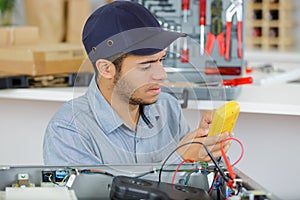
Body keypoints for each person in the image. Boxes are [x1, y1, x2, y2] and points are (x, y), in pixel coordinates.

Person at [43, 1, 233, 165]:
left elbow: (193, 186)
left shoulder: (168, 108)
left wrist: (208, 151)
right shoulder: (68, 129)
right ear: (106, 69)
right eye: (146, 65)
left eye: (161, 60)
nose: (161, 75)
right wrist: (179, 160)